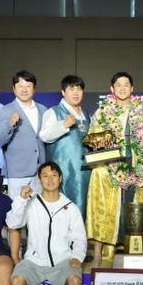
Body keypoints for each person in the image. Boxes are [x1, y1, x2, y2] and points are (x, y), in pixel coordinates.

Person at [6, 162, 87, 285]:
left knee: (75, 280)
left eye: (54, 175)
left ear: (60, 178)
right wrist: (20, 199)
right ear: (39, 179)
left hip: (62, 260)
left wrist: (77, 256)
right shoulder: (30, 203)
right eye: (45, 176)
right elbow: (12, 223)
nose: (50, 180)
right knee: (16, 280)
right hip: (34, 260)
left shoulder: (70, 207)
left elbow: (79, 237)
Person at [86, 72, 143, 267]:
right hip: (110, 165)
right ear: (112, 89)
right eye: (118, 85)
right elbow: (92, 140)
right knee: (104, 207)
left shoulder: (142, 111)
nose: (122, 88)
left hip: (136, 164)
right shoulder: (102, 111)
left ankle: (133, 249)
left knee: (133, 207)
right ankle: (99, 252)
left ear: (132, 88)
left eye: (126, 84)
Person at [0, 70, 48, 263]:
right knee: (16, 218)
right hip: (17, 172)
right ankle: (14, 257)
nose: (24, 89)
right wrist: (10, 124)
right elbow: (0, 139)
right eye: (20, 86)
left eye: (28, 86)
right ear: (14, 88)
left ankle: (35, 254)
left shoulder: (43, 110)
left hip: (40, 173)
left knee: (37, 217)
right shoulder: (6, 110)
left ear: (34, 88)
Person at [39, 75, 91, 215]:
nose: (76, 93)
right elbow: (44, 135)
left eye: (79, 89)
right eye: (71, 89)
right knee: (64, 210)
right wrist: (63, 125)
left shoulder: (86, 115)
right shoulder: (54, 112)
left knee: (85, 208)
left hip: (85, 171)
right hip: (64, 173)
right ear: (63, 92)